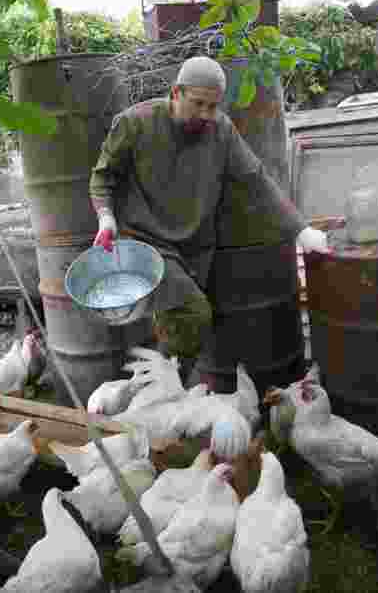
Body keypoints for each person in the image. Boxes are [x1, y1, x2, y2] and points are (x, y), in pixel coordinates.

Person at [88, 56, 330, 394]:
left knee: (181, 327)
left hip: (196, 247)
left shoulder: (221, 131)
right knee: (194, 313)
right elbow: (103, 178)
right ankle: (154, 395)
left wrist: (301, 230)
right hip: (146, 242)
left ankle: (152, 395)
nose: (205, 114)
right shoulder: (135, 123)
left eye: (213, 106)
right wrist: (107, 218)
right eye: (198, 103)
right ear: (176, 92)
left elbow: (257, 182)